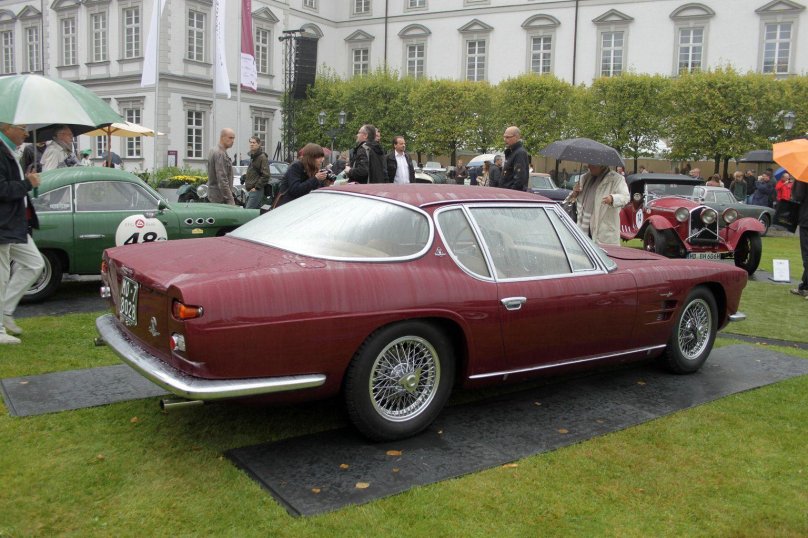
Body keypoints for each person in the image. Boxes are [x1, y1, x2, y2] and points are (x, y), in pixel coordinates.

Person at [0, 123, 45, 344]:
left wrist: (27, 181)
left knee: (35, 263)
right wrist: (27, 183)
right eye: (22, 128)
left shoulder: (9, 150)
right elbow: (2, 190)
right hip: (3, 224)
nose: (26, 133)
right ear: (7, 127)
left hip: (13, 223)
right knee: (0, 277)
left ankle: (6, 311)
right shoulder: (1, 150)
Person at [570, 162, 629, 245]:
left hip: (604, 230)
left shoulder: (617, 179)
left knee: (604, 256)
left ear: (601, 165)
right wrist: (574, 193)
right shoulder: (585, 178)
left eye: (592, 164)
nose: (589, 166)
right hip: (584, 228)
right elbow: (573, 200)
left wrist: (613, 198)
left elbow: (625, 197)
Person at [206, 127, 236, 205]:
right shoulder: (220, 153)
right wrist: (230, 199)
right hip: (220, 198)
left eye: (233, 138)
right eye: (230, 138)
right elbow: (222, 178)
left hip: (215, 196)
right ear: (222, 137)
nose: (233, 141)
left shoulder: (214, 150)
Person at [790, 179, 808, 298]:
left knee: (806, 254)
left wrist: (796, 183)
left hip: (806, 221)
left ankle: (805, 286)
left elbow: (797, 196)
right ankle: (804, 286)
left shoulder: (803, 177)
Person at [243, 136, 271, 209]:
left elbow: (266, 175)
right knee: (255, 214)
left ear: (259, 144)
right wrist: (245, 177)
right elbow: (254, 173)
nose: (251, 144)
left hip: (256, 191)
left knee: (247, 212)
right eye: (250, 142)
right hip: (251, 191)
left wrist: (256, 187)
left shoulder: (262, 157)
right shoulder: (253, 157)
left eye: (254, 143)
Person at [501, 126, 530, 191]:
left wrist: (511, 193)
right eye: (504, 137)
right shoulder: (511, 152)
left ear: (517, 137)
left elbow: (519, 180)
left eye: (507, 137)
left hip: (512, 196)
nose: (504, 139)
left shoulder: (520, 153)